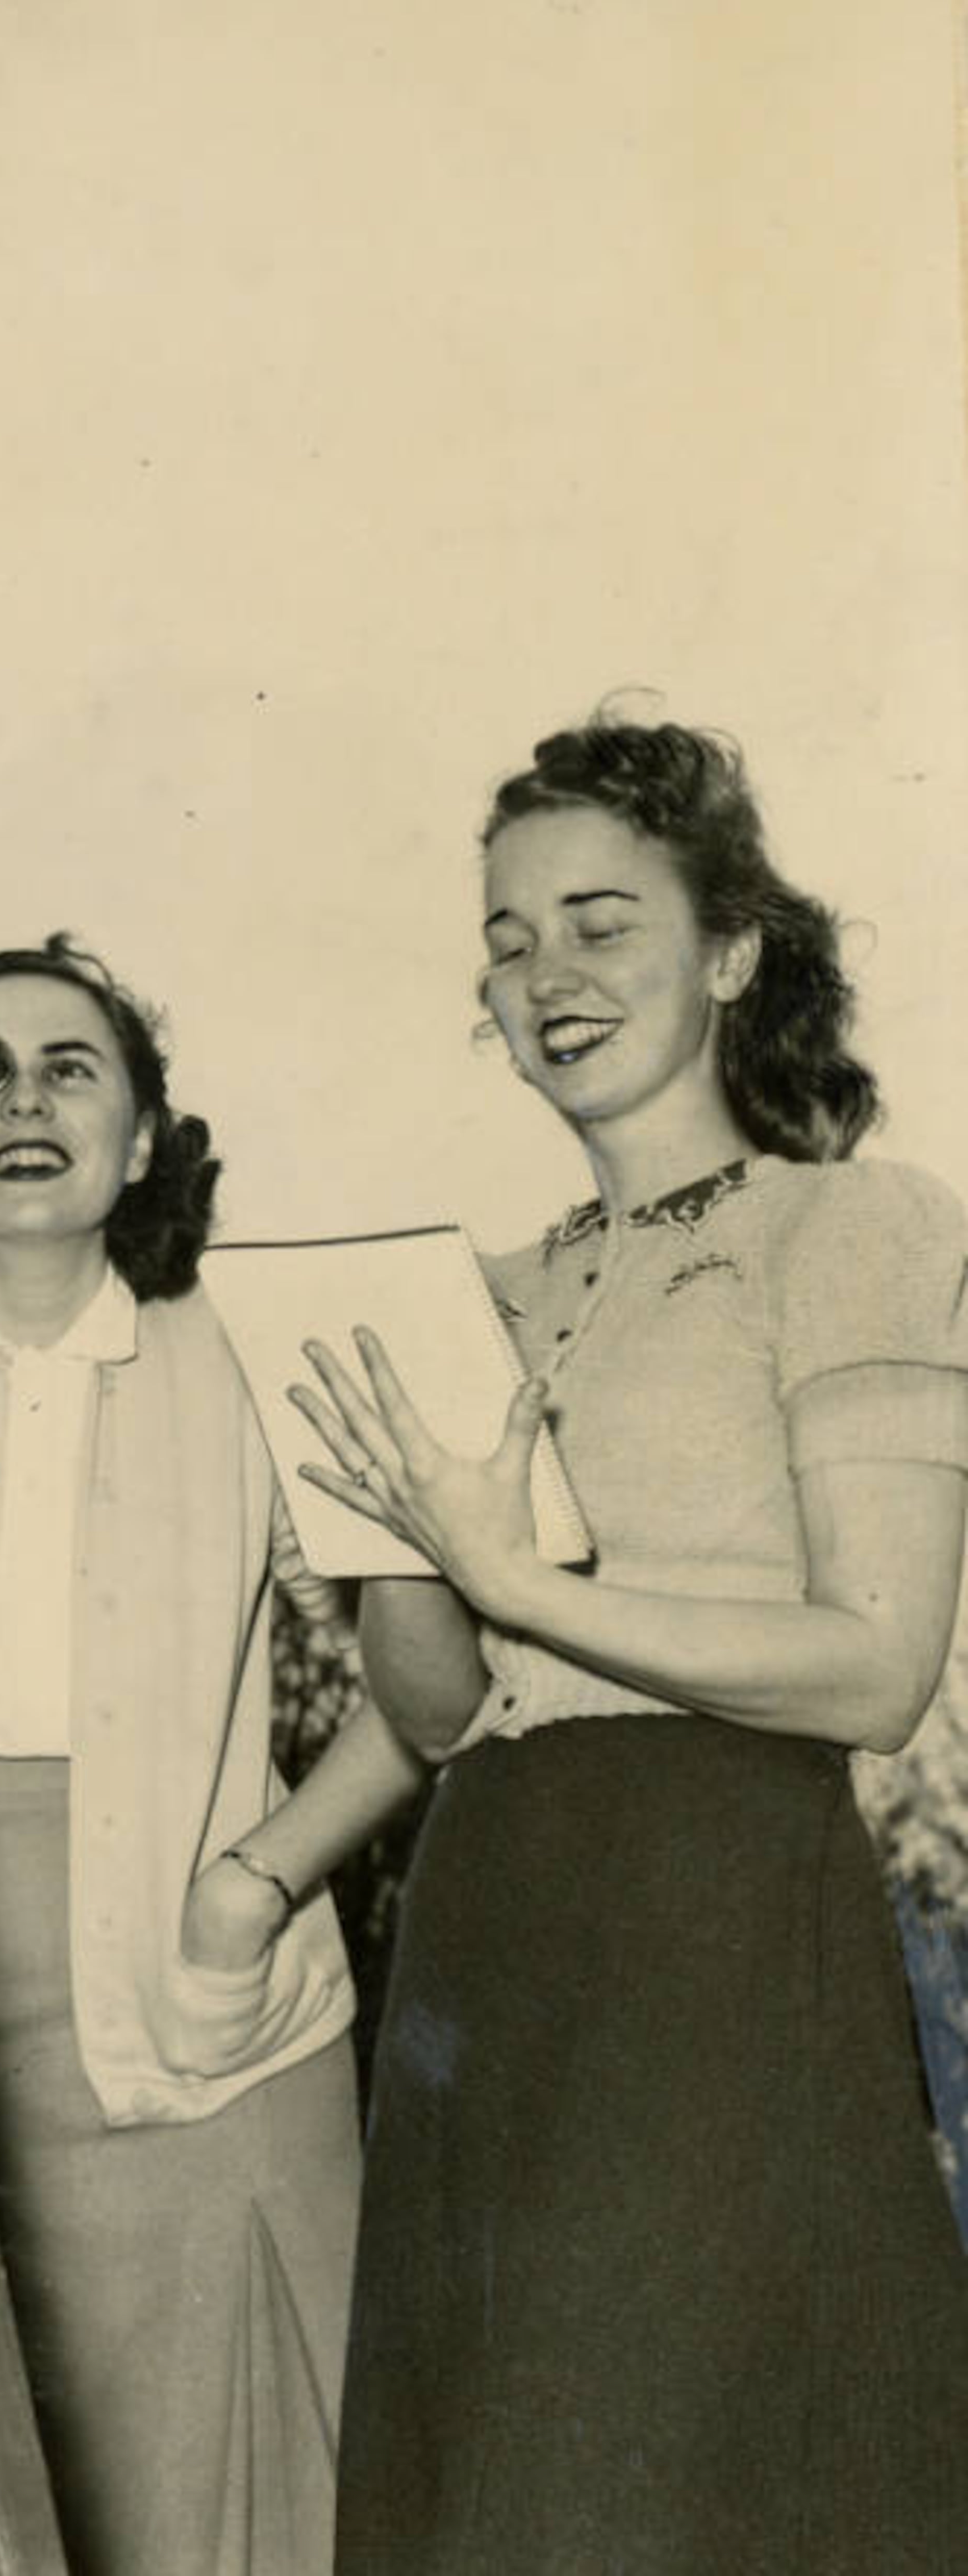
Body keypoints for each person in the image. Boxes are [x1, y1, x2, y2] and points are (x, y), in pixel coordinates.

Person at [248, 715, 968, 2574]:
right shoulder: (484, 1285)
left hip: (715, 1905)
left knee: (659, 2478)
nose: (543, 977)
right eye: (506, 937)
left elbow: (879, 1667)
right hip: (487, 1915)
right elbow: (441, 1704)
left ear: (731, 949)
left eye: (598, 922)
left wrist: (531, 1574)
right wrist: (390, 1535)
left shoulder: (855, 1225)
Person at [0, 935, 423, 2576]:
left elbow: (435, 1683)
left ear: (140, 1140)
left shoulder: (249, 1347)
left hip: (217, 2024)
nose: (24, 1099)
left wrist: (256, 1887)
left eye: (73, 1066)